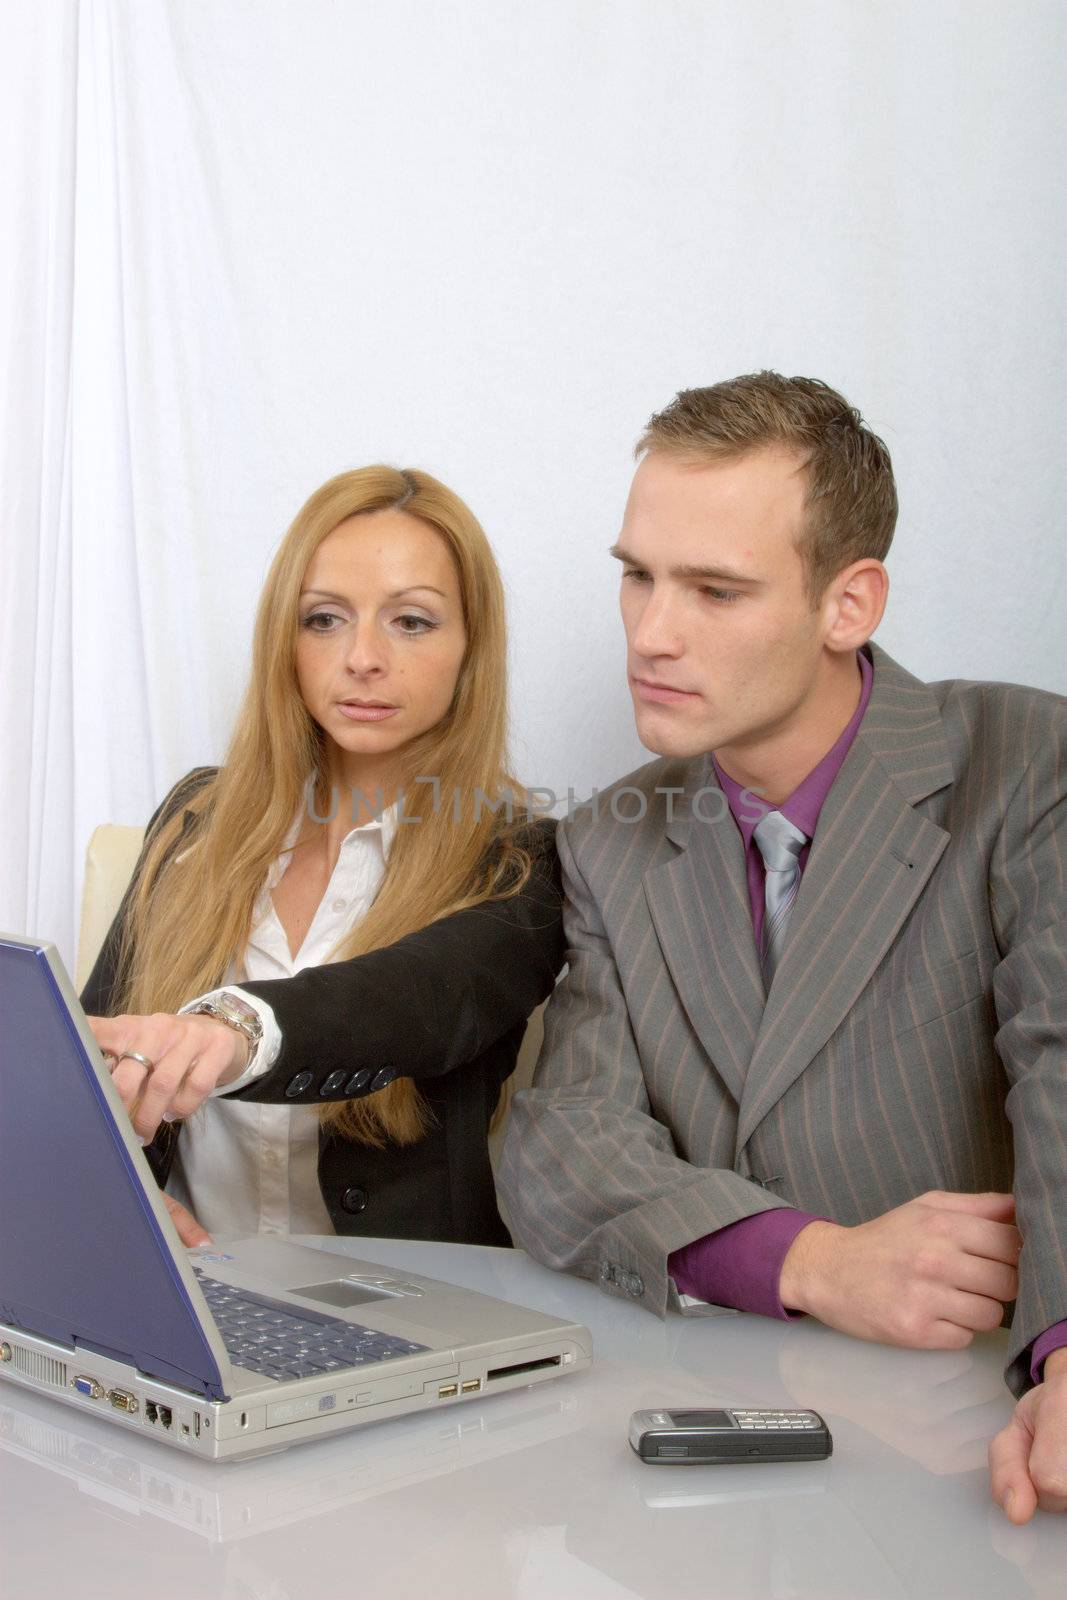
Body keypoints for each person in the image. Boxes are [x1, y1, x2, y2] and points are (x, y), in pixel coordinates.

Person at [498, 373, 1067, 1523]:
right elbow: (561, 1143)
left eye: (713, 589)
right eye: (637, 576)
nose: (651, 634)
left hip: (962, 1448)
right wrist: (805, 1260)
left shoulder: (1025, 762)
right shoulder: (610, 834)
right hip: (699, 1471)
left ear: (847, 604)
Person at [82, 465, 563, 1251]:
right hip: (198, 1297)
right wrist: (123, 1200)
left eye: (411, 622)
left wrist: (232, 1027)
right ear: (286, 641)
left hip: (413, 1320)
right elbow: (95, 1057)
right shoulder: (193, 817)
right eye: (324, 619)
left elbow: (411, 999)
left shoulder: (519, 857)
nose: (363, 658)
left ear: (470, 648)